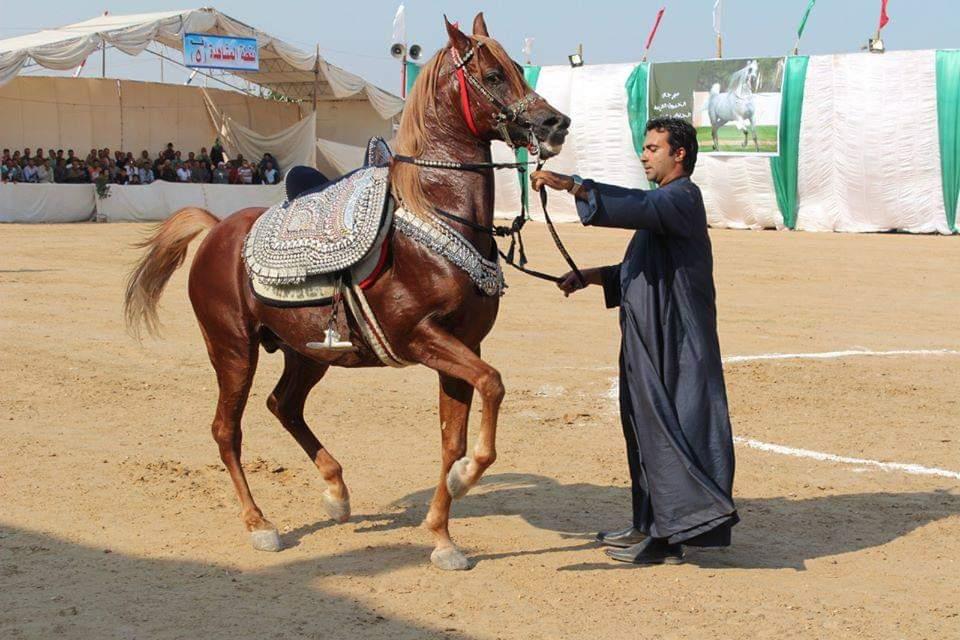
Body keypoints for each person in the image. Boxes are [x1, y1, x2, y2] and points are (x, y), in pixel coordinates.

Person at [530, 117, 738, 566]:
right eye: (644, 148)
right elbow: (638, 267)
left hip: (676, 342)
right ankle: (646, 523)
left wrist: (574, 186)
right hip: (649, 337)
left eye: (652, 148)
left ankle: (666, 541)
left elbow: (638, 207)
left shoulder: (681, 197)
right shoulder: (664, 206)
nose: (644, 155)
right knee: (642, 430)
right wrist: (590, 277)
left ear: (678, 154)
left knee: (666, 431)